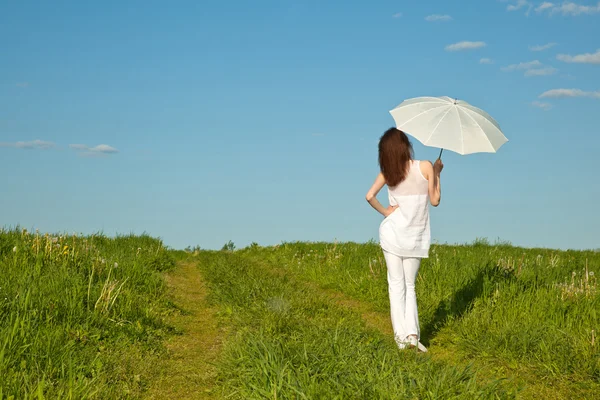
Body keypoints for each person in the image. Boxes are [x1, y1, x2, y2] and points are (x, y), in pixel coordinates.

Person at [365, 127, 443, 352]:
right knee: (410, 285)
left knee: (396, 285)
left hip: (392, 234)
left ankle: (400, 340)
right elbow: (435, 200)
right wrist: (437, 173)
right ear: (405, 146)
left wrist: (386, 212)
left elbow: (369, 196)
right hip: (415, 237)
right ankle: (412, 336)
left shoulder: (388, 173)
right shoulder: (426, 166)